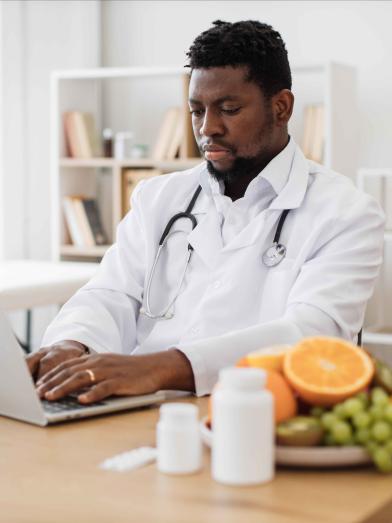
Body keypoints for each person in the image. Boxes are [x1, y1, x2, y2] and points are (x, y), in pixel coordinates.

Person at [28, 20, 384, 404]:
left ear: (281, 107)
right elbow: (111, 294)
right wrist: (73, 344)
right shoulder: (158, 198)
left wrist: (158, 368)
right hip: (130, 406)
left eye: (228, 109)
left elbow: (312, 336)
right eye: (197, 111)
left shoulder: (346, 213)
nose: (207, 128)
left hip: (251, 410)